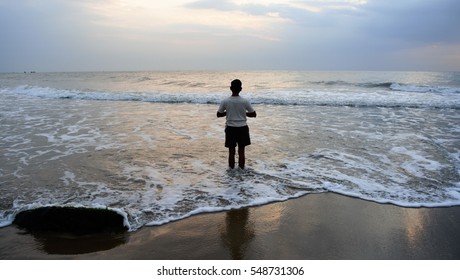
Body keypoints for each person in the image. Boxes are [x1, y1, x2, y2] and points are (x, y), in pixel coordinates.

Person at [217, 79, 257, 169]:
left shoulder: (225, 101)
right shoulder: (244, 101)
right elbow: (254, 114)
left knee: (231, 152)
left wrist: (228, 112)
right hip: (242, 128)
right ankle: (241, 172)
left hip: (230, 128)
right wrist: (244, 113)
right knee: (241, 151)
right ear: (241, 89)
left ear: (230, 88)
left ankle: (231, 173)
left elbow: (218, 114)